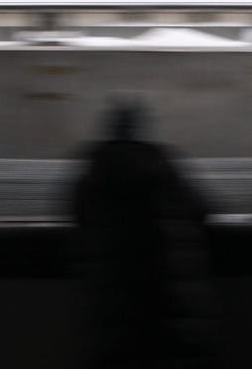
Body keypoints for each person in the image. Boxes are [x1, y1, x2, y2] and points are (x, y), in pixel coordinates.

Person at [70, 95, 218, 369]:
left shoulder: (91, 176)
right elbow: (203, 209)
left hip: (110, 313)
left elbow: (75, 216)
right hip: (166, 304)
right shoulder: (165, 168)